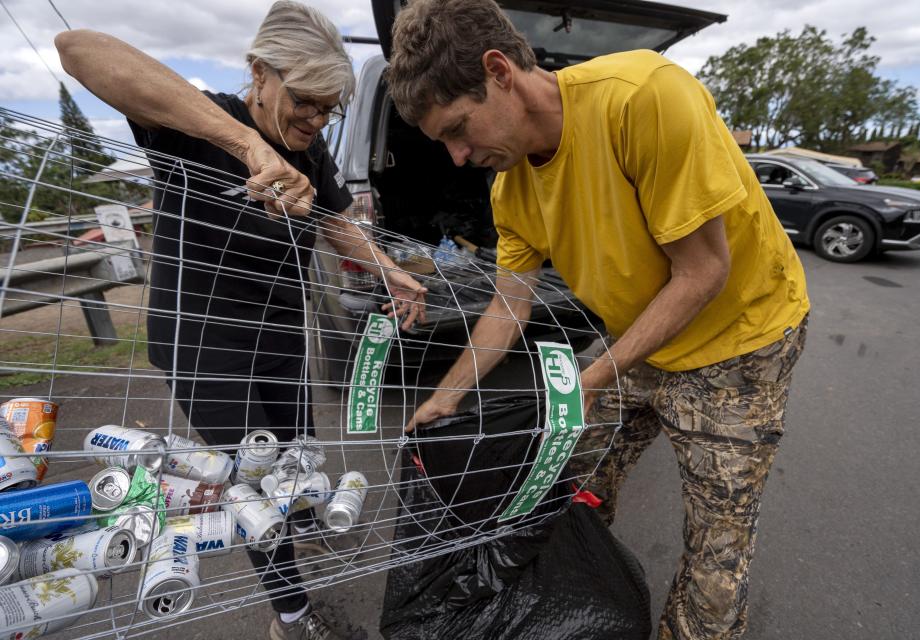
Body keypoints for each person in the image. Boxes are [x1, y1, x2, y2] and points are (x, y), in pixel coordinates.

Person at [389, 1, 809, 638]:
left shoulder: (642, 99)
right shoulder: (510, 187)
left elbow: (701, 273)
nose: (456, 155)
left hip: (739, 343)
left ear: (498, 71)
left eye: (458, 128)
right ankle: (579, 609)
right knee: (557, 482)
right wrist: (445, 398)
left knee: (715, 551)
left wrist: (589, 381)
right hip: (640, 336)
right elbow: (509, 305)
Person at [57, 3, 425, 639]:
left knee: (299, 451)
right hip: (205, 344)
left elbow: (338, 222)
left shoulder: (310, 153)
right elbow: (77, 46)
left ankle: (310, 524)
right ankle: (291, 616)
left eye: (329, 108)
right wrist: (248, 146)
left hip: (281, 331)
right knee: (251, 484)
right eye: (305, 101)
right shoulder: (200, 123)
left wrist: (388, 269)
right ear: (260, 72)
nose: (315, 119)